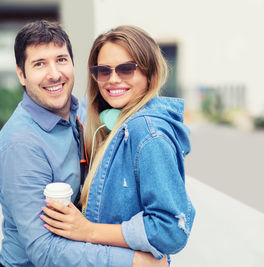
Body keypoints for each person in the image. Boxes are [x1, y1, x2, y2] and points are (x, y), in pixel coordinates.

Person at [0, 21, 168, 266]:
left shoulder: (82, 116)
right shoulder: (20, 144)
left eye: (61, 59)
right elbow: (43, 249)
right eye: (39, 64)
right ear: (22, 74)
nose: (54, 73)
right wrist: (134, 261)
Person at [41, 25, 196, 261]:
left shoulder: (147, 133)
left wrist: (88, 230)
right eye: (103, 71)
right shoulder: (114, 125)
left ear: (149, 74)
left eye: (126, 69)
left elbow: (171, 229)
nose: (113, 80)